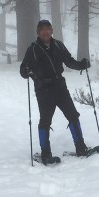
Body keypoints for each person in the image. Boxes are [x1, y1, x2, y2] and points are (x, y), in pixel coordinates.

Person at [20, 19, 92, 164]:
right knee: (45, 121)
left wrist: (82, 65)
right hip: (43, 89)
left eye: (48, 28)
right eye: (42, 29)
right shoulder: (32, 49)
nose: (45, 31)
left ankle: (81, 148)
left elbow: (69, 61)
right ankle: (45, 154)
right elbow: (23, 70)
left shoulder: (58, 45)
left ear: (52, 31)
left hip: (60, 86)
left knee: (72, 115)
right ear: (38, 32)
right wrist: (28, 71)